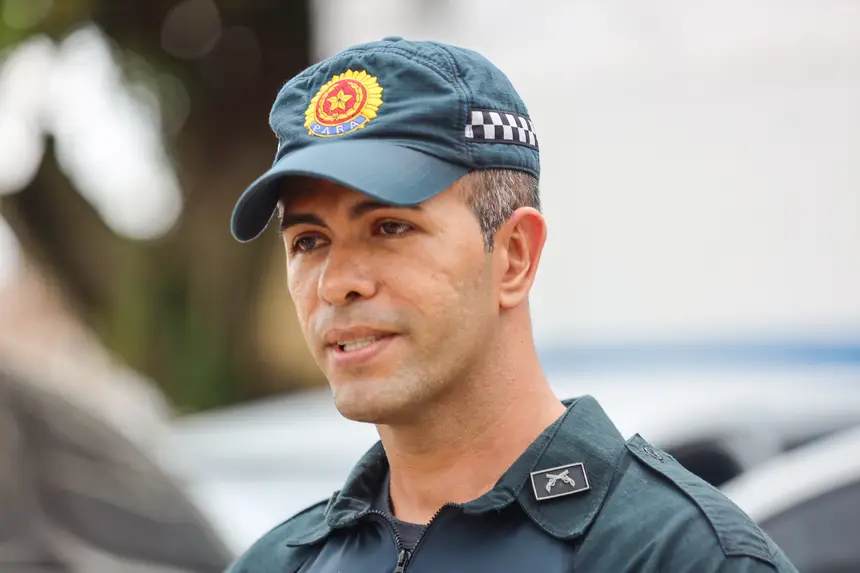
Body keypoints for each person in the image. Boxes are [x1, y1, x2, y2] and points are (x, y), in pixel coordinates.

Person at [226, 37, 798, 573]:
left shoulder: (684, 558)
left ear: (515, 256)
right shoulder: (278, 564)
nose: (336, 284)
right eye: (308, 241)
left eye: (390, 227)